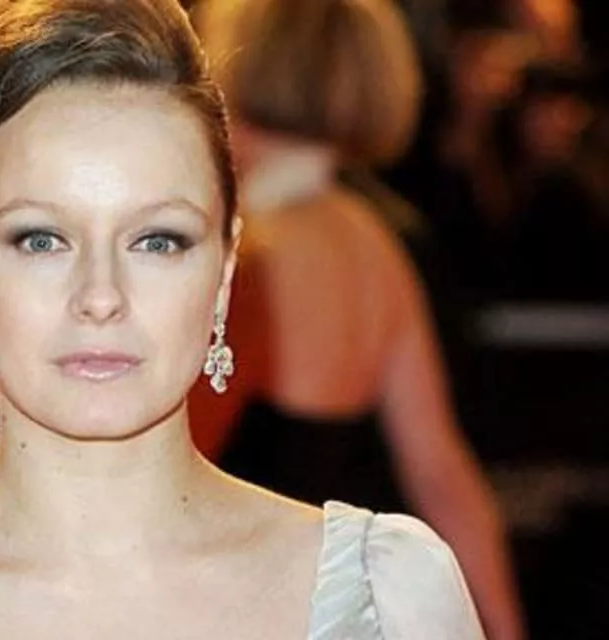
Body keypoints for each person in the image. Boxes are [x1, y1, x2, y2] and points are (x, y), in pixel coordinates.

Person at [0, 0, 485, 638]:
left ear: (222, 273)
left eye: (157, 240)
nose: (100, 294)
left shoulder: (390, 599)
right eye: (41, 239)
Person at [188, 0, 524, 638]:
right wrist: (503, 626)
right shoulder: (377, 245)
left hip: (236, 606)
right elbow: (441, 472)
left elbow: (170, 459)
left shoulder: (246, 252)